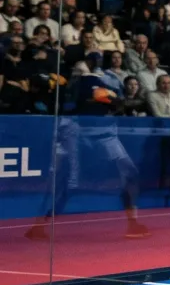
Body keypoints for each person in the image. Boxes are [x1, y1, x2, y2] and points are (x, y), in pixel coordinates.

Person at [23, 52, 150, 241]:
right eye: (88, 60)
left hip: (106, 135)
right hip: (79, 135)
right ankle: (40, 225)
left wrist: (114, 101)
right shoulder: (79, 83)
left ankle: (133, 224)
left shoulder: (108, 79)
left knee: (130, 173)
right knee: (69, 184)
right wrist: (112, 100)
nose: (92, 63)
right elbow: (99, 100)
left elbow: (116, 102)